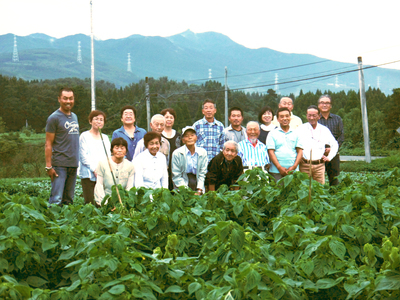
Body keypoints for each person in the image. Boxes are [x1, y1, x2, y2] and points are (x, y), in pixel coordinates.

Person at [45, 87, 79, 206]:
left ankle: (67, 224)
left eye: (71, 98)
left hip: (73, 164)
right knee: (56, 199)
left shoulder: (74, 117)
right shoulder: (54, 118)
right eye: (65, 98)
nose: (68, 101)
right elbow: (48, 144)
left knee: (68, 200)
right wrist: (49, 166)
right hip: (60, 164)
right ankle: (53, 223)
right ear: (59, 99)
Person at [298, 105, 338, 184]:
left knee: (319, 190)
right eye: (309, 115)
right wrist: (298, 156)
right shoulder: (300, 129)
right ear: (306, 116)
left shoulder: (324, 130)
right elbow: (293, 144)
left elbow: (335, 144)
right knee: (304, 189)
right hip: (304, 165)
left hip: (319, 166)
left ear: (319, 116)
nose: (311, 118)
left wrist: (329, 157)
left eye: (314, 115)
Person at [78, 110, 111, 205]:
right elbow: (83, 156)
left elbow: (108, 155)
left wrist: (103, 170)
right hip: (88, 174)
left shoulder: (105, 137)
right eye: (96, 119)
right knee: (90, 202)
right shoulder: (84, 136)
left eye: (101, 119)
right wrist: (94, 169)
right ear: (90, 121)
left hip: (102, 174)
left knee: (101, 202)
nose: (99, 121)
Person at [94, 137, 135, 206]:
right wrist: (105, 203)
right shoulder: (102, 164)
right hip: (104, 200)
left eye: (122, 148)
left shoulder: (130, 165)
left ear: (126, 151)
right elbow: (99, 185)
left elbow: (129, 187)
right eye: (116, 148)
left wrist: (123, 204)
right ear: (112, 151)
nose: (119, 150)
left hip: (122, 202)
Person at [267, 107, 303, 181]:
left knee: (293, 192)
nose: (285, 118)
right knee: (276, 191)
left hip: (293, 171)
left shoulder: (296, 133)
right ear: (277, 119)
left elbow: (300, 151)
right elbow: (271, 152)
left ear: (290, 118)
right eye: (282, 116)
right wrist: (279, 168)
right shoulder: (272, 133)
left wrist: (294, 167)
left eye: (287, 116)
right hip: (276, 171)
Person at [172, 126, 208, 195]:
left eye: (192, 135)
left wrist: (199, 190)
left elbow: (202, 174)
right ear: (183, 140)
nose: (190, 138)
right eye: (186, 136)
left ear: (196, 138)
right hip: (182, 185)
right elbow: (176, 175)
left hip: (197, 184)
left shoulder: (202, 152)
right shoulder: (177, 153)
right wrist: (187, 192)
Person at [318, 94, 344, 186]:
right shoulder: (315, 119)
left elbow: (341, 137)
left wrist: (332, 149)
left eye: (327, 103)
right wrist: (323, 149)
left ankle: (334, 198)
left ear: (331, 105)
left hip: (333, 155)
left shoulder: (337, 119)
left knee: (334, 180)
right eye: (322, 103)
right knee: (318, 181)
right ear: (318, 105)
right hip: (318, 155)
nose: (324, 105)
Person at [161, 108, 181, 190]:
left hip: (176, 169)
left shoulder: (178, 136)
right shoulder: (159, 135)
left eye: (171, 117)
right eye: (166, 117)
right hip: (163, 168)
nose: (169, 119)